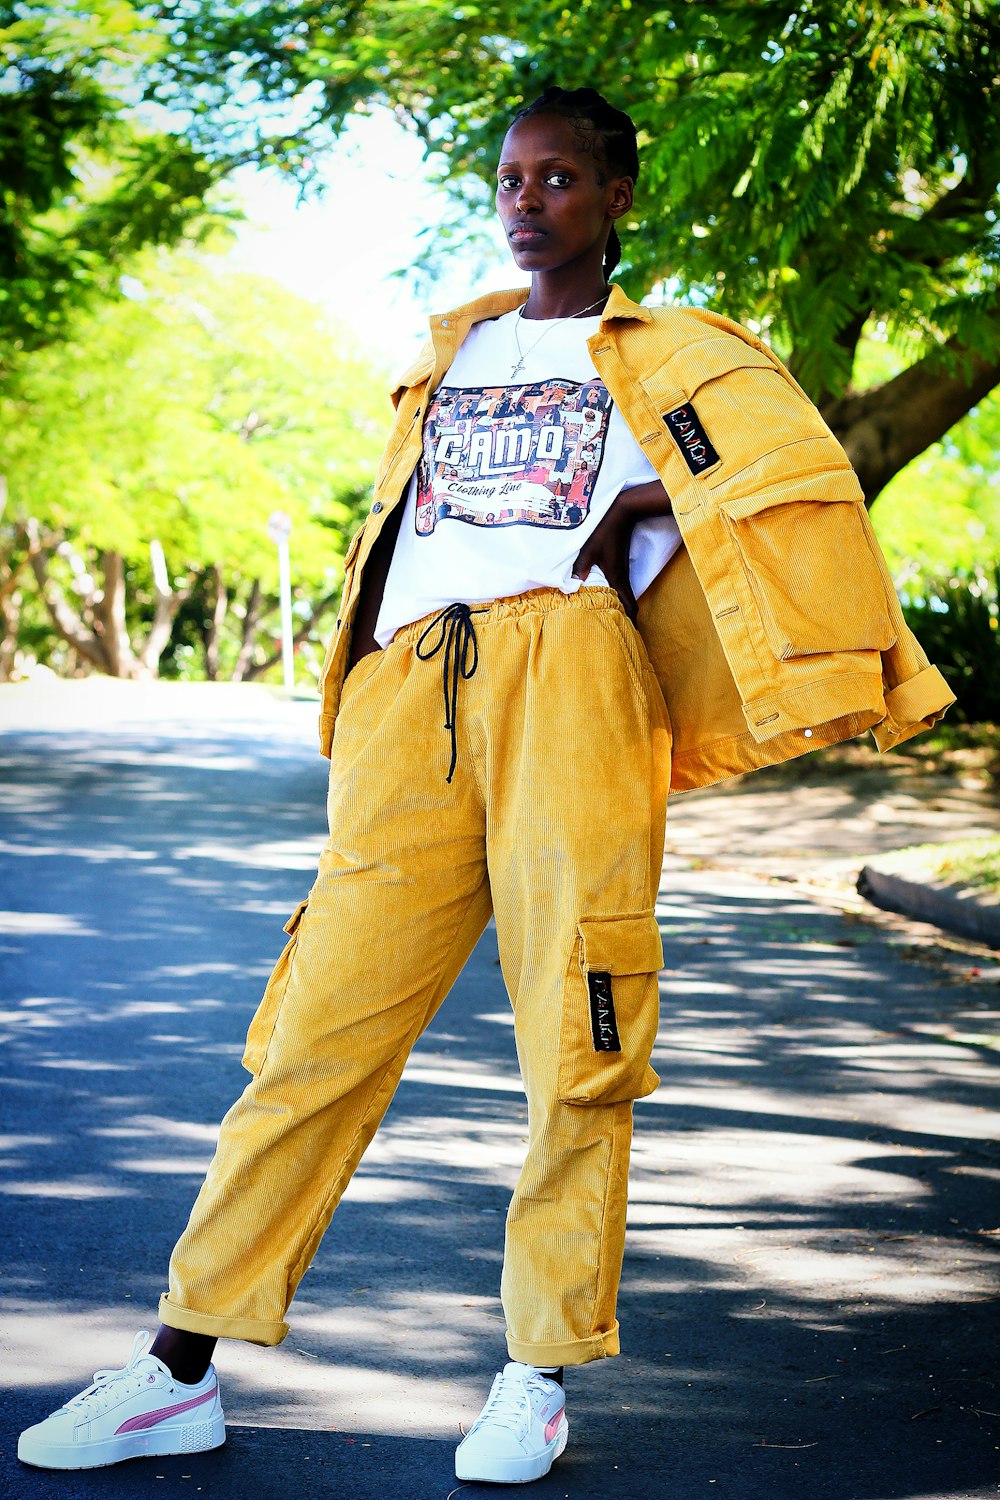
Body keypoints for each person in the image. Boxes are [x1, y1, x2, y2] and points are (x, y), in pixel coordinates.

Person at [18, 85, 952, 1486]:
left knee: (578, 1030)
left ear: (616, 199)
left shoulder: (684, 353)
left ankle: (537, 1370)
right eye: (512, 177)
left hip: (569, 681)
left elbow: (795, 485)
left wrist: (646, 508)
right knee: (312, 1032)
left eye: (560, 177)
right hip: (414, 697)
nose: (527, 199)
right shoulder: (451, 352)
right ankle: (179, 1365)